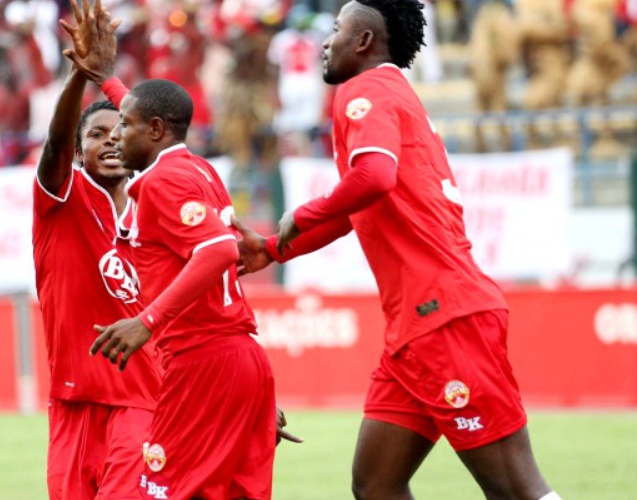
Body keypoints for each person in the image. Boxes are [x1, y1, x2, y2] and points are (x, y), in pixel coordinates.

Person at [234, 1, 562, 499]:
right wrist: (277, 249)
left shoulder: (364, 89)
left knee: (516, 489)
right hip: (415, 327)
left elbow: (374, 176)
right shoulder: (393, 93)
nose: (326, 41)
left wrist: (300, 214)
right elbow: (356, 206)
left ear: (364, 41)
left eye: (337, 30)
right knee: (376, 485)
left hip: (446, 317)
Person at [60, 3, 296, 498]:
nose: (115, 136)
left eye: (122, 126)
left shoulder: (164, 180)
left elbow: (216, 253)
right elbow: (146, 110)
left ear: (154, 131)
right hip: (243, 359)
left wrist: (146, 321)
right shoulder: (199, 170)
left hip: (203, 361)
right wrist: (105, 79)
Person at [33, 2, 161, 497]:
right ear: (80, 148)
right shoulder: (59, 201)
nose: (109, 142)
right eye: (96, 135)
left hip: (142, 404)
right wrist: (79, 79)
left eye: (119, 133)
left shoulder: (158, 211)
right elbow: (54, 147)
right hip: (71, 405)